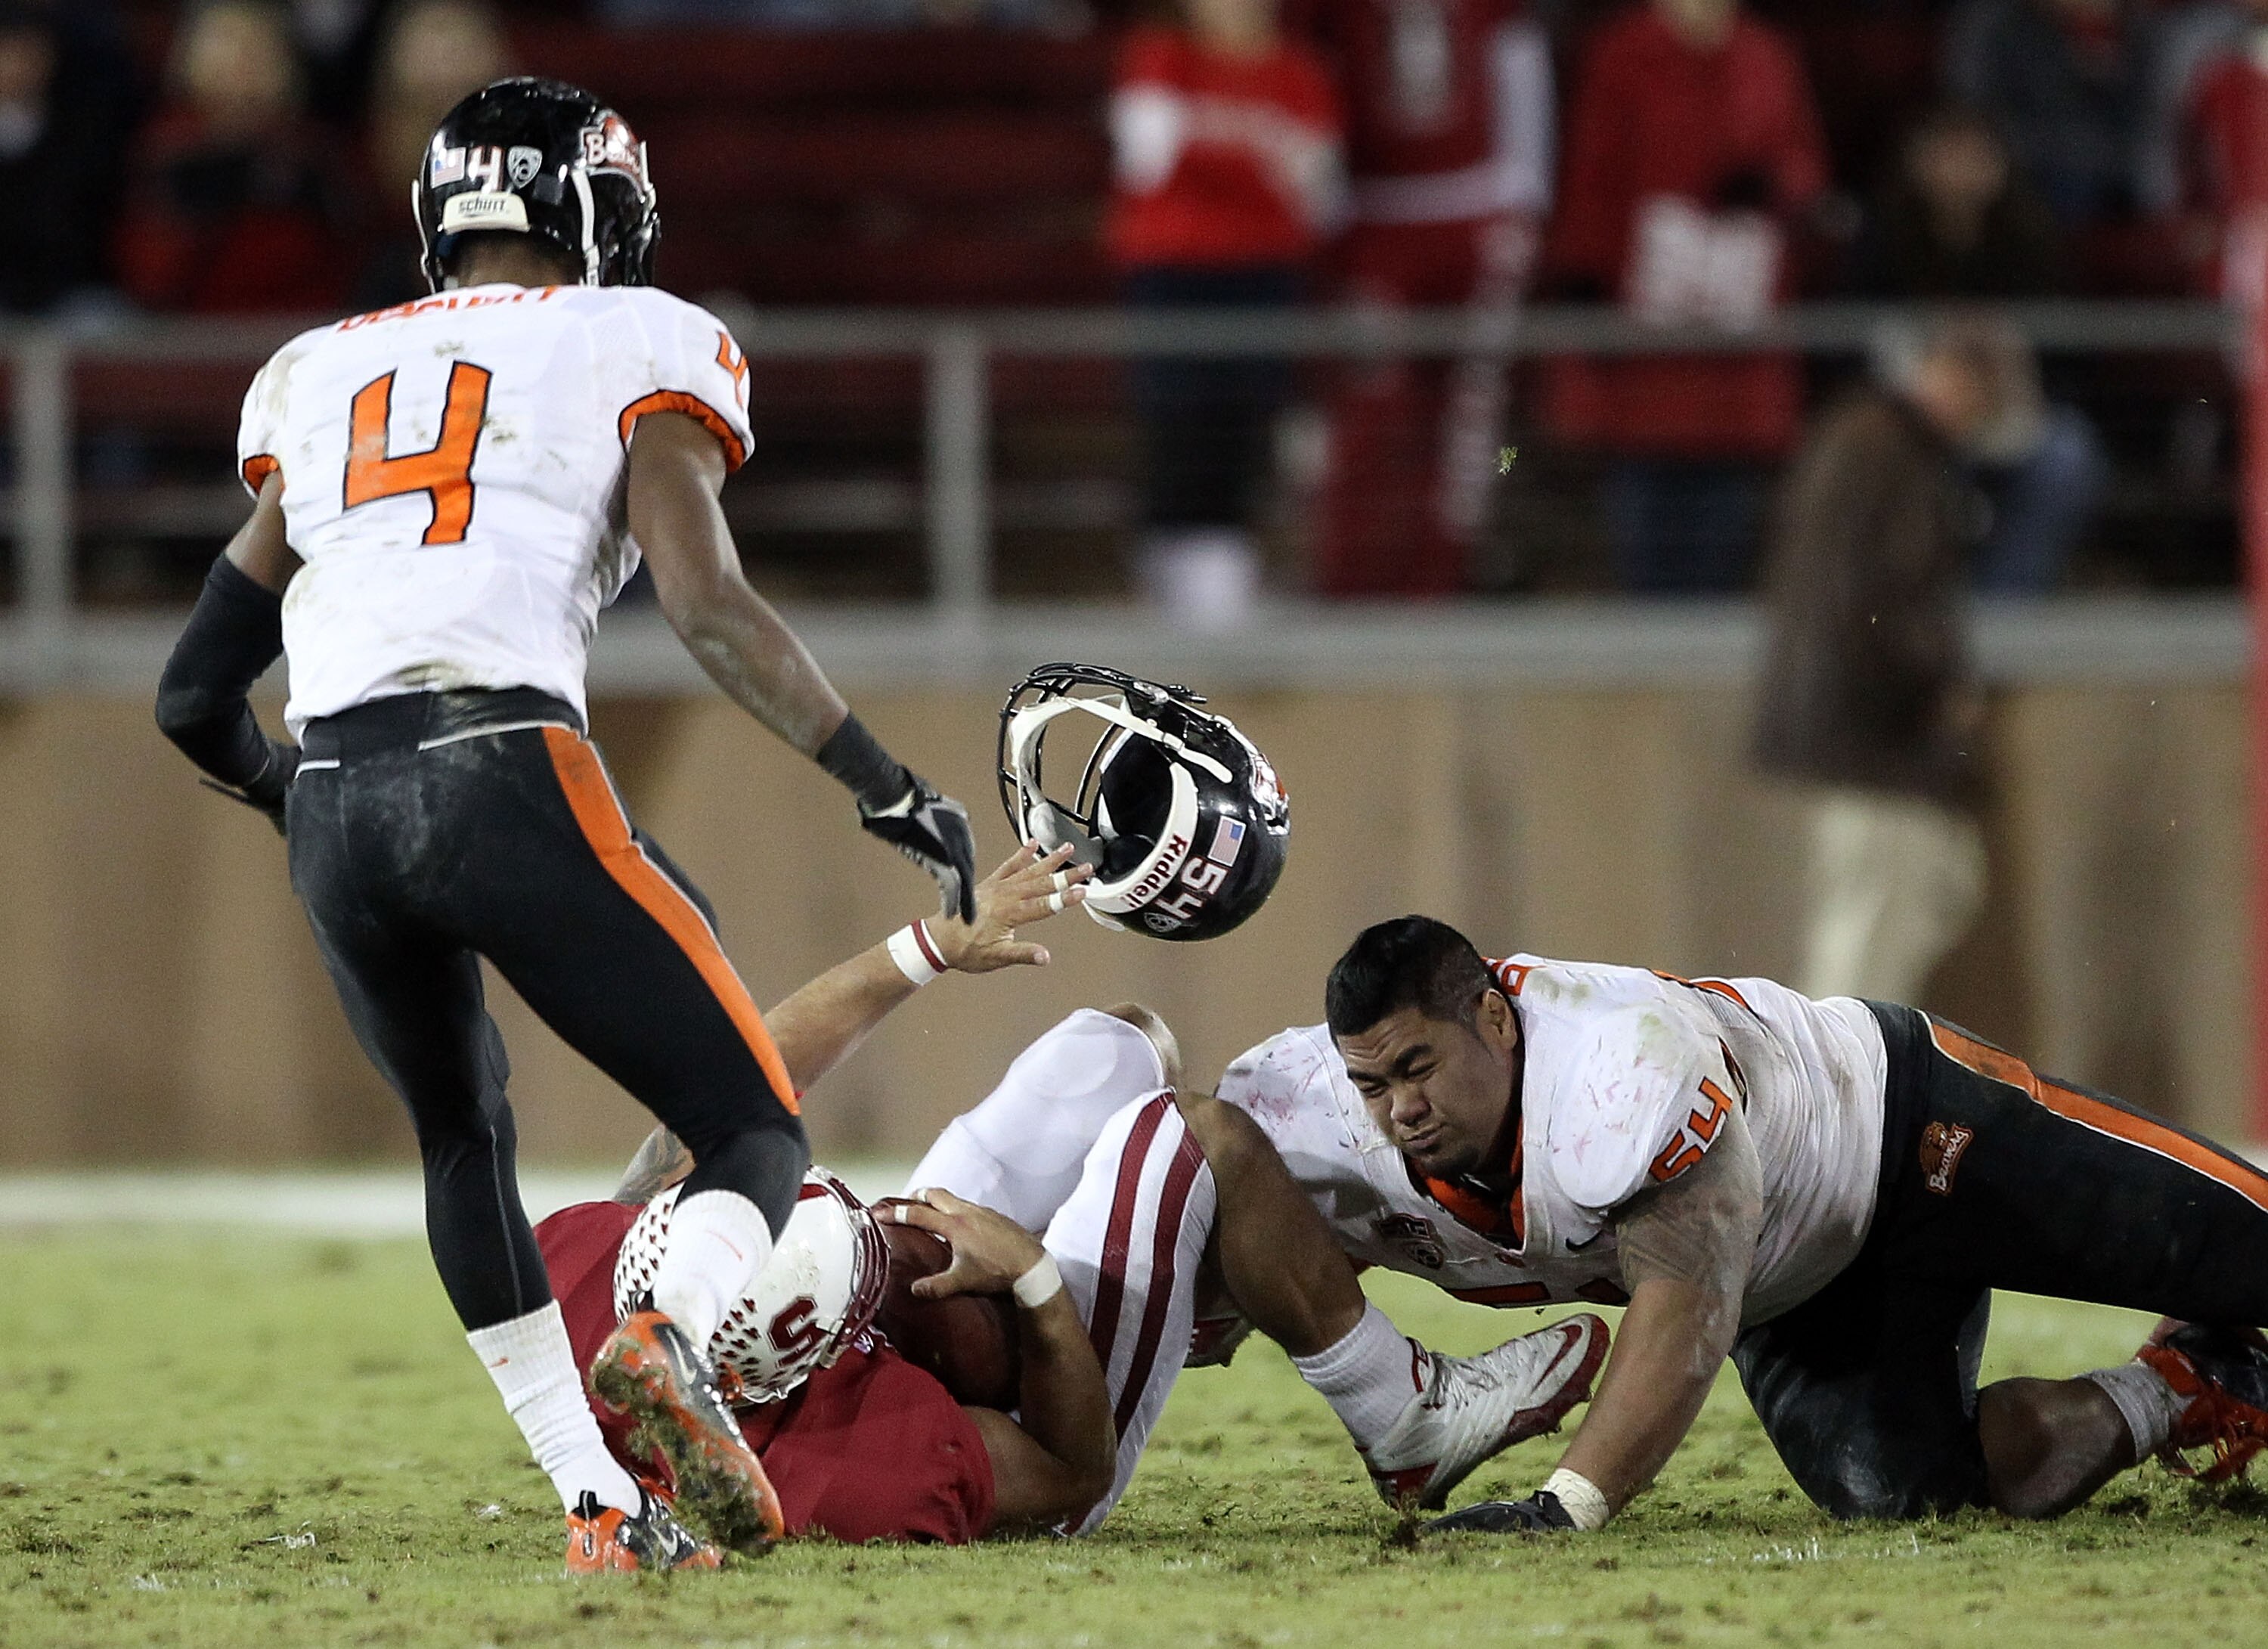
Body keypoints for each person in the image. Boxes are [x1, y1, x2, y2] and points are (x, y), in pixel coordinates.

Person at [152, 76, 981, 1573]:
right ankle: (664, 1338)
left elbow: (191, 694)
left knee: (462, 1136)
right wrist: (875, 774)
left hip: (338, 794)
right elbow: (706, 596)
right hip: (502, 761)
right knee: (748, 1124)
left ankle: (597, 1502)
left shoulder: (313, 371)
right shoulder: (637, 335)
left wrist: (295, 804)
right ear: (598, 211)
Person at [561, 845, 1606, 1539]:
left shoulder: (589, 1266)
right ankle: (1402, 1414)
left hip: (902, 1345)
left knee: (1112, 1047)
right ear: (824, 1350)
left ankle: (1180, 1283)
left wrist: (925, 948)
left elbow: (746, 1083)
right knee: (1185, 1136)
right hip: (1037, 1410)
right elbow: (1069, 1476)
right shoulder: (861, 1466)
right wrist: (1032, 1286)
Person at [1216, 914, 2268, 1534]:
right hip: (1799, 1287)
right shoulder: (1306, 1130)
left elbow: (1683, 1307)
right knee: (1909, 1495)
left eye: (1418, 1067)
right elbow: (1218, 1238)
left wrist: (1563, 1505)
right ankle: (2189, 1384)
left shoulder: (1617, 1062)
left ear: (1494, 1018)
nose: (1398, 1108)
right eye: (1371, 1082)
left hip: (1913, 1131)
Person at [1752, 318, 2000, 1006]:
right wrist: (1938, 683)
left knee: (1927, 888)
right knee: (1869, 921)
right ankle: (1836, 1084)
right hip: (1870, 726)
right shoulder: (1887, 454)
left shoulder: (1866, 443)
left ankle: (1847, 1071)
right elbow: (1874, 598)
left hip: (1856, 719)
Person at [1542, 0, 1829, 594]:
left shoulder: (1766, 58)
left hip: (1736, 346)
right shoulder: (1622, 56)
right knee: (1646, 515)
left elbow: (1802, 165)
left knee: (1724, 526)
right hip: (1644, 344)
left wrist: (1773, 189)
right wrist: (1585, 284)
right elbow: (1594, 174)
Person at [1293, 0, 1553, 597]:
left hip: (1479, 212)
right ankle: (1349, 577)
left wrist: (1526, 197)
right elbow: (1319, 71)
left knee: (1480, 426)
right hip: (1375, 218)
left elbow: (1519, 62)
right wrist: (1328, 211)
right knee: (1371, 411)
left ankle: (1455, 570)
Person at [1105, 0, 1343, 628]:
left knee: (1247, 424)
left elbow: (1319, 192)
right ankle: (1171, 583)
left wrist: (1208, 153)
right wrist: (1256, 162)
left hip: (1263, 274)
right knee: (1180, 421)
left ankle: (1225, 584)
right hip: (1174, 273)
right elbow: (1147, 160)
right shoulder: (1160, 56)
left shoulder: (1299, 74)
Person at [1851, 107, 2103, 594]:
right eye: (1948, 153)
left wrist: (2001, 375)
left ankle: (2003, 616)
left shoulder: (2033, 239)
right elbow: (1852, 344)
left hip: (2013, 416)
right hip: (1910, 421)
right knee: (1906, 470)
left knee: (2069, 457)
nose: (1961, 169)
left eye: (1974, 154)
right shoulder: (1882, 239)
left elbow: (2068, 355)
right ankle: (1919, 618)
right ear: (1919, 160)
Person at [114, 0, 357, 314]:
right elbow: (145, 274)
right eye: (226, 41)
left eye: (255, 44)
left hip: (296, 328)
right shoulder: (167, 147)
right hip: (183, 335)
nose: (241, 61)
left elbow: (345, 263)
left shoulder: (311, 151)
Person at [1944, 0, 2157, 231]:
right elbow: (1971, 115)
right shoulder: (1991, 22)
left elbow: (2137, 122)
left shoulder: (2124, 27)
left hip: (2102, 170)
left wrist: (2102, 57)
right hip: (2017, 167)